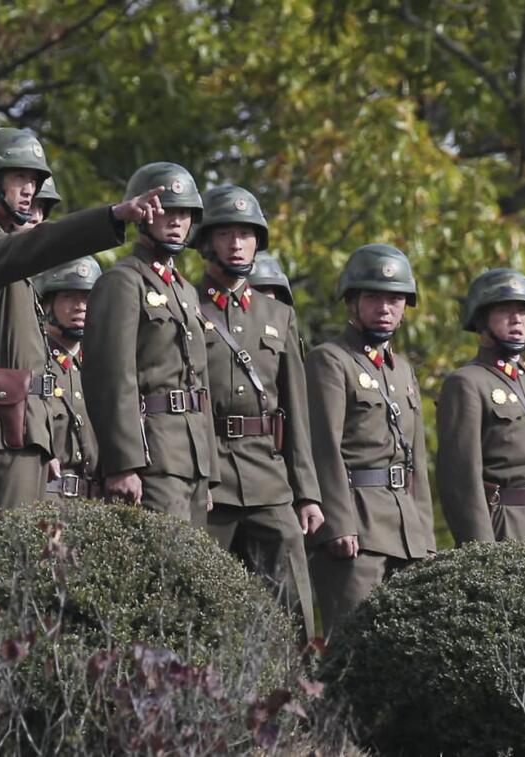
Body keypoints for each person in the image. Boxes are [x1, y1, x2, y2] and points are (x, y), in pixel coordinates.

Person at [0, 128, 162, 512]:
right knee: (1, 560)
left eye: (34, 180)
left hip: (20, 431)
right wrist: (113, 215)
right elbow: (37, 244)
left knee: (23, 563)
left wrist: (43, 437)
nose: (29, 189)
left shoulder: (2, 252)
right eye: (19, 177)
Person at [193, 185, 322, 641]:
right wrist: (200, 476)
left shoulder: (277, 314)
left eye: (246, 235)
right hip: (213, 479)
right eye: (226, 234)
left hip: (269, 478)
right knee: (202, 606)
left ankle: (301, 696)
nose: (237, 244)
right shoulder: (187, 307)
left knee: (293, 608)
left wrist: (307, 492)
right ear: (206, 242)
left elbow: (297, 411)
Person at [305, 243, 435, 637]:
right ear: (353, 301)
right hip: (356, 526)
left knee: (405, 648)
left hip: (405, 531)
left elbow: (417, 462)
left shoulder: (402, 371)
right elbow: (322, 446)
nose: (385, 307)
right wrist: (338, 524)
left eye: (395, 298)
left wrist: (425, 536)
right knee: (353, 644)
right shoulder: (330, 359)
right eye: (374, 297)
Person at [83, 162, 218, 523]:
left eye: (184, 212)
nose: (176, 220)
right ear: (142, 215)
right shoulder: (123, 282)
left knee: (191, 575)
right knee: (162, 569)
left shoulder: (186, 291)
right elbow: (111, 377)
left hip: (192, 457)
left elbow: (200, 382)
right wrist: (122, 464)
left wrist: (210, 468)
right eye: (166, 211)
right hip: (152, 454)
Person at [436, 269, 525, 544]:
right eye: (504, 310)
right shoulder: (467, 383)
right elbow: (461, 480)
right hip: (503, 529)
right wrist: (481, 550)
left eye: (523, 310)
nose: (516, 319)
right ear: (482, 320)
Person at [34, 256, 102, 500]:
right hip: (47, 498)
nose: (80, 306)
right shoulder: (34, 362)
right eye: (69, 297)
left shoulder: (98, 366)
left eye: (87, 298)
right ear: (47, 303)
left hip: (94, 503)